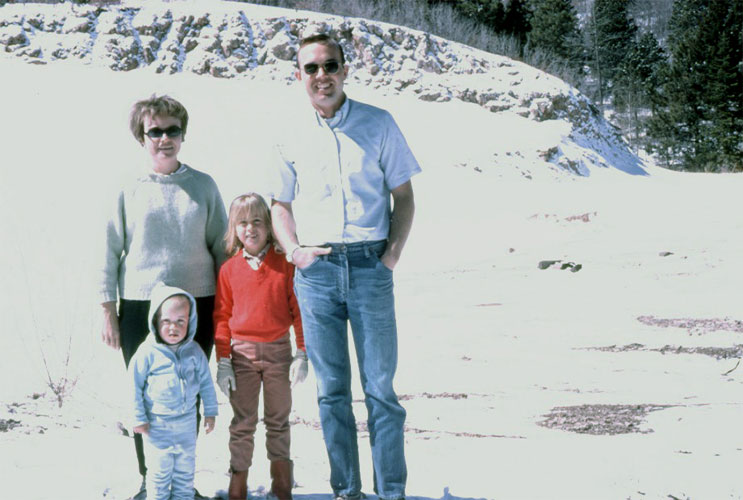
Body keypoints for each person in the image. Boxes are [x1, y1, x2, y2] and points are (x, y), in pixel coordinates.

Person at [270, 33, 421, 500]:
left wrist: (391, 254)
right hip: (316, 273)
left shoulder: (379, 123)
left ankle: (390, 492)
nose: (322, 76)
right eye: (311, 68)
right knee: (332, 391)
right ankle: (347, 491)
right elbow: (280, 205)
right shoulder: (289, 133)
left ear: (345, 70)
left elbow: (404, 197)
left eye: (330, 66)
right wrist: (294, 250)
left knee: (380, 391)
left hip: (370, 267)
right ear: (299, 75)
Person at [98, 94, 228, 500]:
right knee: (148, 395)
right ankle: (148, 482)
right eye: (155, 131)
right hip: (140, 306)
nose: (164, 138)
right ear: (142, 137)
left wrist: (228, 307)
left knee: (185, 392)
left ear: (183, 134)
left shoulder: (203, 185)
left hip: (197, 303)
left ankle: (182, 483)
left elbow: (221, 248)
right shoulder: (127, 188)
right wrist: (106, 307)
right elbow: (108, 249)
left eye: (173, 130)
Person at [213, 193, 308, 500]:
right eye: (242, 223)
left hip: (279, 352)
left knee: (278, 420)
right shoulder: (229, 270)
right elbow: (222, 317)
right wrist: (224, 360)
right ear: (234, 229)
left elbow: (299, 312)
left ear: (268, 226)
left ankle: (281, 486)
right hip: (242, 355)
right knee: (243, 422)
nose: (250, 229)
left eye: (256, 221)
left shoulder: (284, 265)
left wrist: (302, 353)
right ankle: (237, 484)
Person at [129, 284, 219, 500]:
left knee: (184, 475)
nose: (173, 327)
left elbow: (206, 383)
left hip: (186, 423)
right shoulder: (147, 353)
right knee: (158, 475)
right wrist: (138, 417)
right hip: (157, 425)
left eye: (181, 321)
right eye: (166, 321)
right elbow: (133, 386)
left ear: (190, 322)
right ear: (155, 321)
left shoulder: (195, 351)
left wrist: (210, 411)